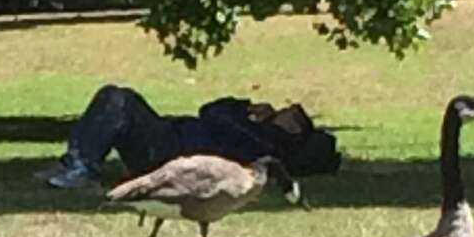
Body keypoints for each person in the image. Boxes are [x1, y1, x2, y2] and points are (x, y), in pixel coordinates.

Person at [39, 85, 339, 188]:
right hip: (170, 141)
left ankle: (81, 167)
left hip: (170, 151)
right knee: (115, 98)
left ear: (294, 128)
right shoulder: (261, 136)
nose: (282, 108)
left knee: (120, 100)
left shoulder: (265, 141)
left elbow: (212, 111)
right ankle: (76, 161)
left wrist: (244, 107)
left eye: (290, 112)